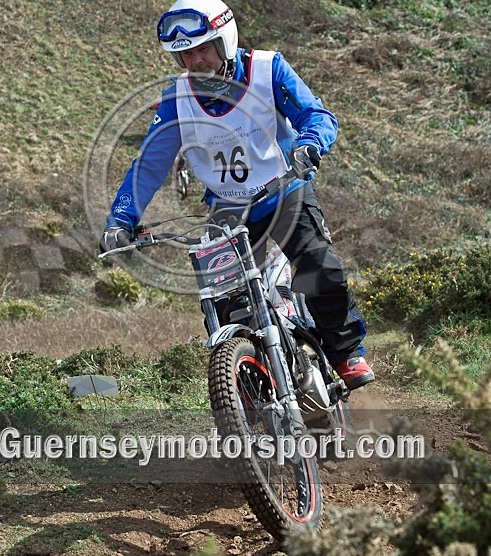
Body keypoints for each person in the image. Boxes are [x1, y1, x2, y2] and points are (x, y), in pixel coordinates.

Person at [100, 0, 374, 390]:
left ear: (225, 41)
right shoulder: (176, 100)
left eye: (203, 48)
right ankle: (253, 389)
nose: (196, 60)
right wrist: (121, 220)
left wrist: (310, 145)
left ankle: (345, 353)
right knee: (227, 302)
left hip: (284, 190)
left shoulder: (267, 69)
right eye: (185, 54)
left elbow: (317, 115)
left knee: (318, 266)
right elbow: (149, 165)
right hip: (227, 207)